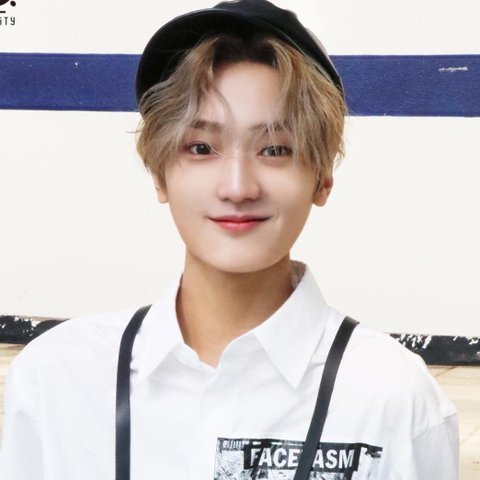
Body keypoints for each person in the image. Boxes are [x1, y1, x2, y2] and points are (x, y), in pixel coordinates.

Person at [0, 1, 459, 479]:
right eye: (201, 148)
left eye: (275, 149)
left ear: (322, 178)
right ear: (158, 173)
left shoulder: (394, 400)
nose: (238, 187)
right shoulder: (58, 377)